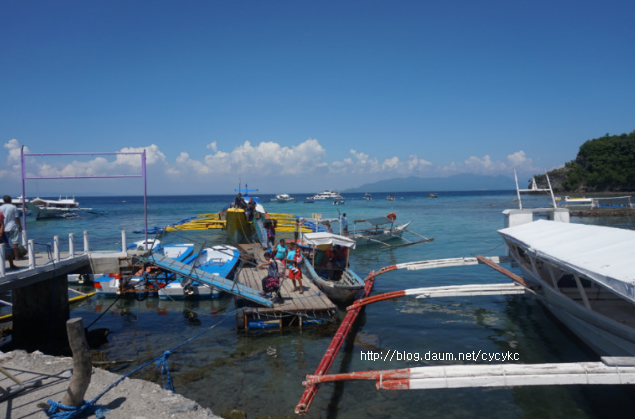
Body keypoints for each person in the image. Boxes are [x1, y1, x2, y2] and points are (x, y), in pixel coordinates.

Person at [0, 195, 22, 269]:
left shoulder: (1, 208)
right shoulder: (13, 207)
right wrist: (20, 226)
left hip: (4, 228)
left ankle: (5, 258)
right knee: (15, 242)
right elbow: (17, 217)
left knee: (5, 244)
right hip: (13, 226)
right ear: (10, 200)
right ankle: (16, 257)